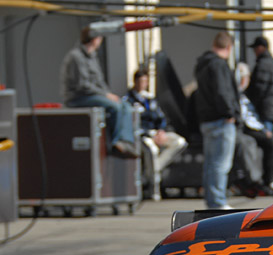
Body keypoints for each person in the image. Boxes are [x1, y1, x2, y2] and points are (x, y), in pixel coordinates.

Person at [61, 27, 138, 158]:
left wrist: (109, 94)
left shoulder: (92, 57)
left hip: (94, 95)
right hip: (79, 98)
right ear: (94, 38)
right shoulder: (76, 56)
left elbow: (100, 82)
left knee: (125, 106)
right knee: (115, 107)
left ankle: (125, 142)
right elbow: (83, 85)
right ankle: (116, 143)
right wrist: (106, 95)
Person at [124, 68, 187, 199]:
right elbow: (131, 123)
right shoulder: (128, 100)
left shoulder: (150, 98)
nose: (143, 84)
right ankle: (154, 189)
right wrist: (148, 134)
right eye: (141, 81)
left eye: (145, 81)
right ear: (135, 82)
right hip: (142, 135)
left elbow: (160, 117)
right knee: (151, 151)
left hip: (156, 133)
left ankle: (154, 169)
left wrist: (161, 131)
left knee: (179, 142)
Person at [194, 31, 240, 209]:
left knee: (211, 163)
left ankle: (211, 199)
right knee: (221, 164)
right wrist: (231, 113)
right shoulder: (219, 65)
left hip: (207, 120)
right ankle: (218, 201)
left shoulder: (202, 64)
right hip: (221, 120)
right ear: (228, 47)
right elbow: (223, 92)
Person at [233, 63, 273, 197]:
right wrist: (263, 130)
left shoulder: (246, 94)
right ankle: (268, 181)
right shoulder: (236, 93)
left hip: (254, 125)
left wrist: (263, 129)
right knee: (269, 142)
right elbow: (246, 118)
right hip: (244, 127)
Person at [245, 36, 273, 194]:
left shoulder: (262, 65)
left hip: (264, 110)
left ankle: (271, 180)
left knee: (269, 146)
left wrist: (250, 101)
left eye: (255, 48)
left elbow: (258, 89)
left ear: (261, 48)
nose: (254, 52)